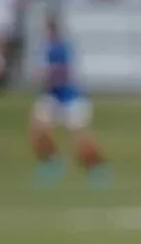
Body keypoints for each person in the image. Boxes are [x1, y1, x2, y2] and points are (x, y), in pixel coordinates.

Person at [29, 13, 107, 185]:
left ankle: (96, 168)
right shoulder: (45, 47)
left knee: (80, 138)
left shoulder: (62, 48)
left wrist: (46, 77)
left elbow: (64, 74)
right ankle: (51, 163)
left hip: (70, 96)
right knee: (38, 129)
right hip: (52, 96)